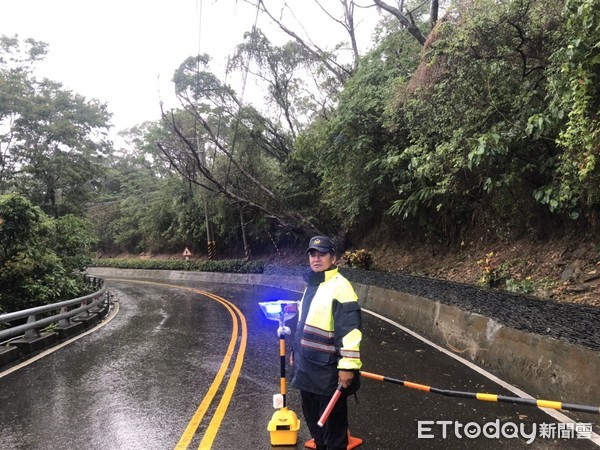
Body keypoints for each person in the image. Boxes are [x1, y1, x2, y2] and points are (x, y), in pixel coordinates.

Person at [290, 235, 362, 450]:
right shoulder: (312, 284)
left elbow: (350, 330)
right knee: (316, 429)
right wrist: (295, 352)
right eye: (313, 254)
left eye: (322, 254)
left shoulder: (341, 287)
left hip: (328, 373)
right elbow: (304, 323)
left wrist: (347, 366)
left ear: (334, 258)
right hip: (306, 369)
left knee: (334, 433)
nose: (316, 258)